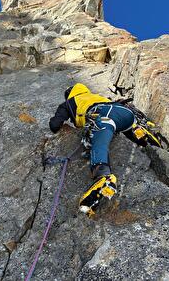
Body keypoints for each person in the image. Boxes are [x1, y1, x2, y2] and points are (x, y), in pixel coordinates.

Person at [49, 83, 139, 217]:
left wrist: (62, 114)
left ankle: (103, 175)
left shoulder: (69, 102)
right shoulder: (94, 96)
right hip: (124, 113)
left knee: (99, 139)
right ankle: (139, 131)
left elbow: (55, 125)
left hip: (103, 115)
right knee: (118, 126)